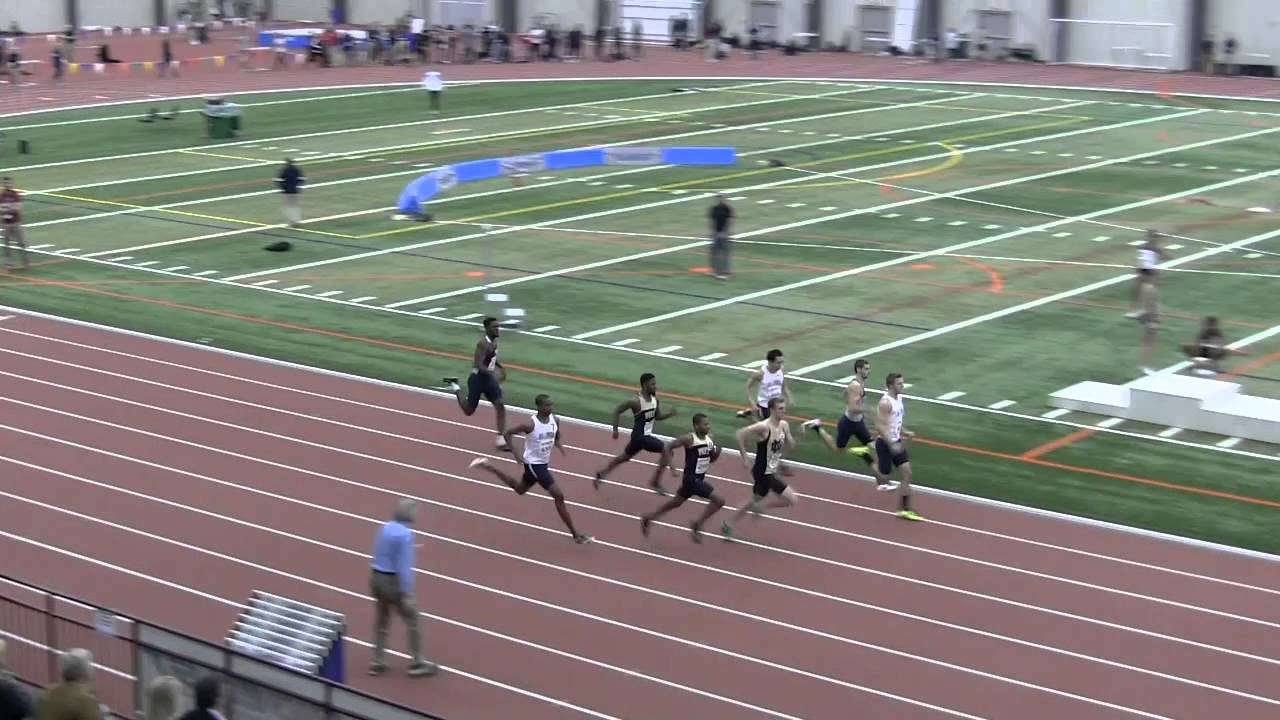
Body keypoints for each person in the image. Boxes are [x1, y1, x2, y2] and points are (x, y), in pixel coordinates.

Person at [470, 394, 592, 544]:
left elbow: (556, 433)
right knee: (558, 495)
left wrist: (558, 443)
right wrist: (516, 453)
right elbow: (507, 433)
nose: (551, 408)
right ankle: (575, 535)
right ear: (539, 407)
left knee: (520, 489)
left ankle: (488, 466)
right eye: (547, 405)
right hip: (534, 465)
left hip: (543, 463)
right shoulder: (530, 425)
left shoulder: (556, 419)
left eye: (551, 405)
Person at [803, 358, 899, 491]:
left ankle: (881, 482)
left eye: (868, 368)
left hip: (858, 423)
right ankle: (817, 426)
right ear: (858, 369)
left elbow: (850, 398)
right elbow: (853, 407)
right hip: (848, 424)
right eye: (866, 369)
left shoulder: (859, 384)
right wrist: (868, 409)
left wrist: (861, 409)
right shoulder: (855, 386)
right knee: (836, 449)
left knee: (874, 449)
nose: (868, 371)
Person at [368, 499, 437, 677]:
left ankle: (377, 661)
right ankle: (417, 662)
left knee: (381, 620)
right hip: (393, 581)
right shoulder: (406, 535)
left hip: (376, 577)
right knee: (413, 619)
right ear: (410, 514)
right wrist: (406, 593)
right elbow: (404, 567)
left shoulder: (385, 527)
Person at [721, 396, 799, 539]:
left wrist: (793, 440)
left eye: (784, 408)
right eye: (780, 408)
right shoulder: (764, 427)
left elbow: (790, 445)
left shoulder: (784, 425)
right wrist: (745, 458)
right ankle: (753, 511)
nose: (784, 411)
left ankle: (729, 523)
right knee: (787, 499)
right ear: (772, 410)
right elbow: (740, 434)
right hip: (762, 471)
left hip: (771, 469)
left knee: (759, 499)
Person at [641, 413, 727, 542]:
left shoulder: (709, 440)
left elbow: (710, 459)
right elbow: (668, 446)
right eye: (705, 424)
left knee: (675, 503)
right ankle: (697, 525)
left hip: (698, 479)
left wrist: (717, 452)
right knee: (719, 501)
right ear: (696, 426)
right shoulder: (689, 439)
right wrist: (672, 467)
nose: (708, 427)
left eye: (708, 424)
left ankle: (649, 517)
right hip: (692, 480)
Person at [593, 372, 677, 493]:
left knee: (624, 457)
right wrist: (615, 430)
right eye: (652, 384)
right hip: (639, 437)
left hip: (643, 437)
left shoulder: (655, 400)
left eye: (655, 384)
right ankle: (655, 482)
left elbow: (657, 417)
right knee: (668, 449)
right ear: (644, 385)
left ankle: (601, 473)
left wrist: (669, 414)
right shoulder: (635, 401)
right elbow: (617, 411)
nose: (655, 386)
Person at [443, 316, 510, 449]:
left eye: (498, 326)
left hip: (489, 381)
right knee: (468, 410)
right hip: (477, 380)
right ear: (487, 329)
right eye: (494, 327)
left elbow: (491, 359)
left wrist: (501, 368)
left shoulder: (494, 343)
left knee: (500, 405)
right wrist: (492, 374)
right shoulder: (482, 344)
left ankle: (500, 439)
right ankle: (455, 386)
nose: (498, 329)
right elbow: (478, 364)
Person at [876, 373, 922, 521]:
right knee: (884, 477)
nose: (902, 386)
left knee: (907, 473)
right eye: (899, 384)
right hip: (884, 443)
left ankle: (904, 509)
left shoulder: (899, 399)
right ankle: (865, 455)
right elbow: (880, 427)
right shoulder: (885, 403)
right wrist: (891, 444)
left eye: (902, 383)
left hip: (896, 442)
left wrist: (905, 431)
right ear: (891, 386)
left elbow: (897, 420)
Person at [1182, 316, 1247, 375]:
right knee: (1187, 347)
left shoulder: (1216, 333)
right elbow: (1198, 344)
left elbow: (1221, 346)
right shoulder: (1205, 332)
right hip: (1206, 353)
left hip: (1211, 353)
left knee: (1222, 351)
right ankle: (1202, 364)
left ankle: (1210, 364)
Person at [738, 348, 790, 420]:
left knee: (777, 424)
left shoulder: (781, 369)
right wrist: (752, 402)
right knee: (765, 427)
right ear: (770, 362)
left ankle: (750, 412)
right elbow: (748, 387)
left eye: (782, 362)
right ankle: (751, 414)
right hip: (765, 405)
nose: (780, 365)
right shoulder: (760, 374)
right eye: (778, 362)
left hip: (777, 403)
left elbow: (783, 383)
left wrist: (788, 396)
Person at [1126, 229, 1165, 318]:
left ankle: (1146, 309)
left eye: (1153, 237)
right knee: (1136, 290)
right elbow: (1140, 259)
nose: (1151, 238)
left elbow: (1165, 256)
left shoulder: (1156, 248)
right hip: (1142, 269)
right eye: (1150, 236)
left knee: (1149, 290)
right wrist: (1136, 268)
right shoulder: (1143, 246)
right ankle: (1136, 309)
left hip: (1151, 270)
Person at [1, 177, 26, 271]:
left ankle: (24, 260)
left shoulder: (15, 194)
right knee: (7, 243)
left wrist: (7, 209)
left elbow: (18, 208)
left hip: (16, 221)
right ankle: (9, 262)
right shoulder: (2, 195)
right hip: (6, 223)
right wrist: (8, 209)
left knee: (21, 242)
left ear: (11, 183)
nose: (7, 184)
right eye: (5, 183)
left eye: (8, 183)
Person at [708, 193, 733, 279]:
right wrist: (712, 232)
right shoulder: (714, 209)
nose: (720, 200)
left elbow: (729, 221)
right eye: (719, 199)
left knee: (725, 254)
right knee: (714, 253)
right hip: (716, 234)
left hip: (724, 234)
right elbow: (712, 221)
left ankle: (726, 272)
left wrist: (726, 233)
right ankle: (715, 270)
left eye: (721, 198)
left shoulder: (727, 209)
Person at [275, 159, 304, 228]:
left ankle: (291, 222)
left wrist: (282, 187)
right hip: (295, 190)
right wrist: (297, 185)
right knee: (295, 206)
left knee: (288, 207)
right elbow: (302, 179)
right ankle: (296, 221)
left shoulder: (285, 170)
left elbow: (279, 180)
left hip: (287, 191)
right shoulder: (296, 170)